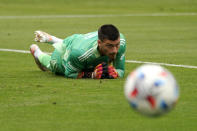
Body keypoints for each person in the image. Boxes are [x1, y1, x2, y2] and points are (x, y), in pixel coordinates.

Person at [30, 24, 126, 79]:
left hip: (78, 40)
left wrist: (115, 73)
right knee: (53, 66)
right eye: (109, 46)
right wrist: (92, 75)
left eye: (116, 45)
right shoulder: (81, 54)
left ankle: (53, 39)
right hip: (63, 56)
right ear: (99, 43)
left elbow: (120, 70)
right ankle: (37, 53)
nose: (114, 50)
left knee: (78, 51)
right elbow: (69, 73)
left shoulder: (121, 42)